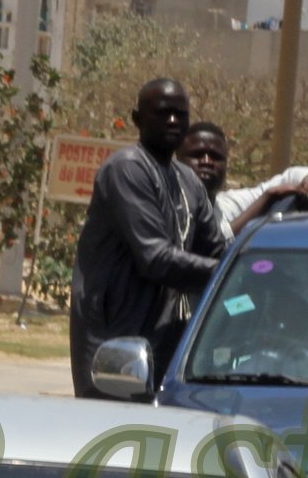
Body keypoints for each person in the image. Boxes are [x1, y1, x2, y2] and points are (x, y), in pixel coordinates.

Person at [70, 78, 223, 398]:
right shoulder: (127, 169)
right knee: (114, 438)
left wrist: (263, 269)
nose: (172, 121)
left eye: (180, 115)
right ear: (137, 119)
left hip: (165, 343)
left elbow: (219, 250)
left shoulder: (188, 181)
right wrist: (233, 276)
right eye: (162, 113)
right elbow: (155, 258)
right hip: (115, 348)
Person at [178, 122, 308, 236]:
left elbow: (288, 177)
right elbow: (214, 244)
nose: (207, 161)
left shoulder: (227, 205)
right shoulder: (166, 208)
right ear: (177, 160)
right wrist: (267, 199)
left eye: (216, 157)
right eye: (197, 154)